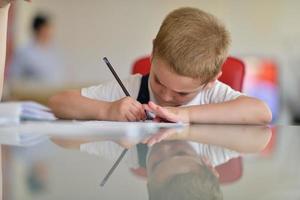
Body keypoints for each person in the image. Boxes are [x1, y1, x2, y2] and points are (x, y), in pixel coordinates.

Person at [49, 7, 272, 124]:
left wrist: (185, 114)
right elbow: (58, 102)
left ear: (211, 80)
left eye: (182, 92)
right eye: (158, 80)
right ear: (153, 52)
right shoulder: (135, 88)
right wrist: (106, 110)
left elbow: (261, 112)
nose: (165, 96)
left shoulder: (212, 94)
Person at [8, 13, 64, 87]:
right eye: (47, 28)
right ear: (39, 29)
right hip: (31, 94)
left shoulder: (54, 51)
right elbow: (14, 77)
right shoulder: (24, 52)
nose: (51, 31)